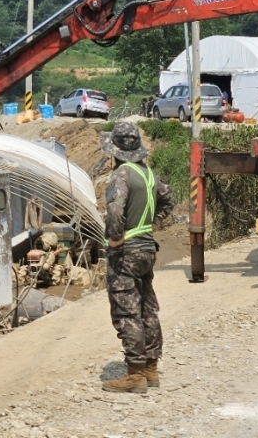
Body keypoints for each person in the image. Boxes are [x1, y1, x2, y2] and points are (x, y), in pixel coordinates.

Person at [99, 122, 174, 393]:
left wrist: (116, 237)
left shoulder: (121, 175)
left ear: (115, 151)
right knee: (147, 309)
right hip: (146, 249)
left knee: (127, 311)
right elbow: (168, 201)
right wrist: (152, 225)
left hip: (127, 251)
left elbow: (115, 210)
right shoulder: (149, 174)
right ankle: (151, 370)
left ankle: (134, 375)